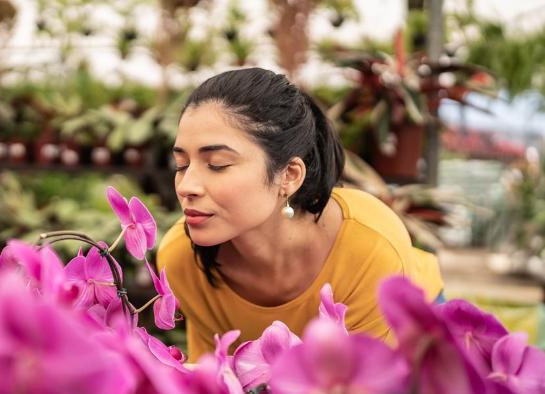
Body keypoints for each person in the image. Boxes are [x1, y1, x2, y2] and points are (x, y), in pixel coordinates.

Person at [155, 67, 443, 362]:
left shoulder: (369, 246)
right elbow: (217, 384)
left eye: (217, 164)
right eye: (181, 164)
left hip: (413, 330)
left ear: (289, 175)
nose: (186, 186)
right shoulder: (180, 258)